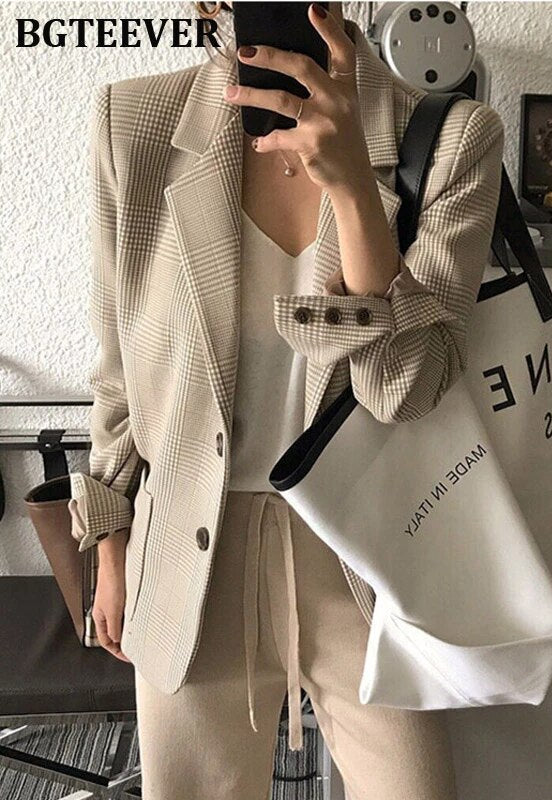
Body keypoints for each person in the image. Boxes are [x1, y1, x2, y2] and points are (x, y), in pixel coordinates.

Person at [67, 2, 505, 797]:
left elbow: (406, 391)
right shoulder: (134, 124)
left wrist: (355, 191)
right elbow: (120, 367)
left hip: (364, 552)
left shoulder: (451, 139)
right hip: (189, 548)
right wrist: (108, 539)